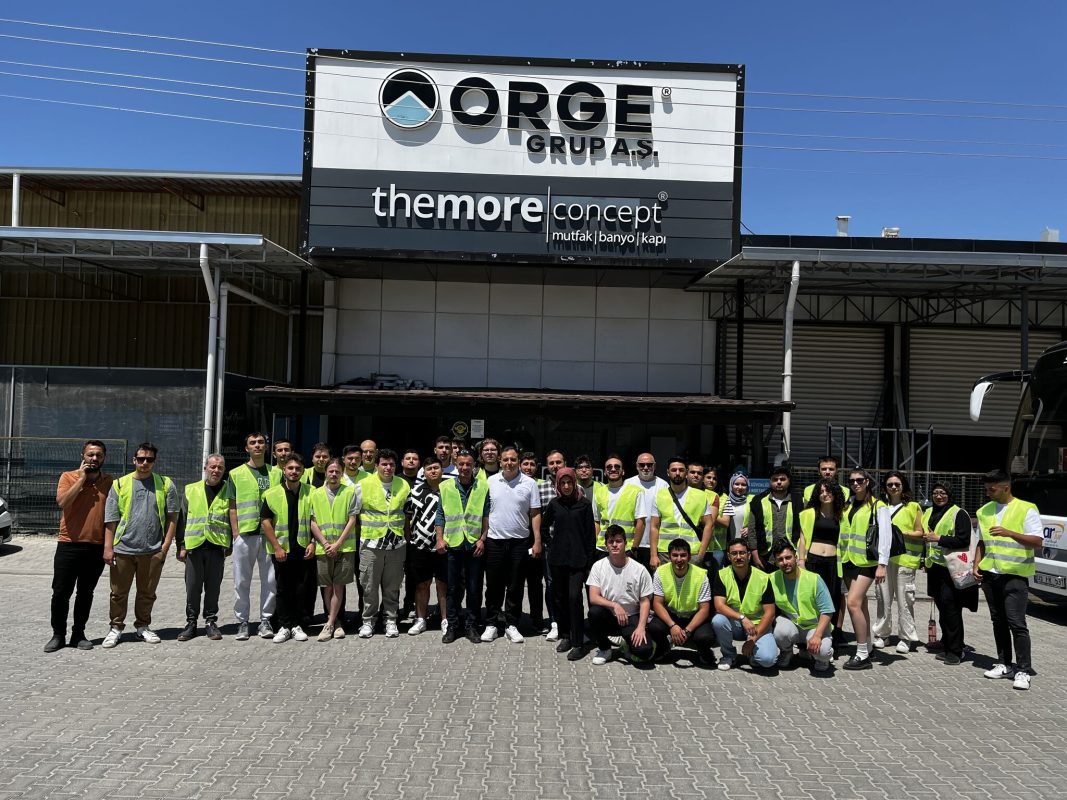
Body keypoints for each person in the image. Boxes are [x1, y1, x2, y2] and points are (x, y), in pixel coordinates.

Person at [101, 442, 180, 648]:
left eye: (149, 459)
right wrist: (108, 548)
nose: (145, 463)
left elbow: (173, 517)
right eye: (141, 459)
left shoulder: (165, 484)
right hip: (123, 549)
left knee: (147, 593)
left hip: (152, 550)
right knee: (118, 593)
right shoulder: (120, 484)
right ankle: (116, 628)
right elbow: (111, 519)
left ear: (154, 461)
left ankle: (142, 627)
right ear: (134, 460)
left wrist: (165, 548)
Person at [973, 469, 1042, 690]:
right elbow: (982, 541)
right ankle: (1004, 664)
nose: (988, 493)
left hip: (1015, 575)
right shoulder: (984, 511)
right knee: (998, 622)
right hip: (990, 575)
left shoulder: (1026, 508)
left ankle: (1023, 670)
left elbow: (1037, 542)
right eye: (986, 489)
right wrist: (976, 564)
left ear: (1006, 486)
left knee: (1017, 623)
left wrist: (1010, 532)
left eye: (992, 489)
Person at [46, 440, 114, 652]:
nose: (94, 459)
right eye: (90, 454)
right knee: (60, 593)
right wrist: (82, 478)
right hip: (68, 545)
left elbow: (112, 516)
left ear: (104, 458)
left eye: (99, 455)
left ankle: (78, 634)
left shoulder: (109, 482)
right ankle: (58, 635)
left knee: (86, 593)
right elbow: (63, 502)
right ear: (83, 456)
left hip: (95, 546)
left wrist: (108, 546)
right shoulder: (68, 477)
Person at [483, 445, 541, 644]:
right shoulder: (490, 481)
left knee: (515, 585)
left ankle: (511, 624)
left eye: (513, 459)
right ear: (500, 461)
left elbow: (535, 513)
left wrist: (537, 541)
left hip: (520, 542)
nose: (509, 463)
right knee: (493, 585)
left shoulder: (530, 483)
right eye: (506, 459)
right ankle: (491, 623)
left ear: (518, 461)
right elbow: (485, 512)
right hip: (495, 541)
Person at [355, 449, 411, 639]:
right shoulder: (363, 485)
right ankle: (368, 622)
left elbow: (407, 514)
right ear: (377, 465)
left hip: (396, 545)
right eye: (384, 464)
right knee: (369, 587)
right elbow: (354, 515)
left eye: (391, 464)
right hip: (371, 544)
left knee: (392, 587)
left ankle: (390, 620)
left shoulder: (403, 484)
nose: (388, 468)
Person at [838, 469, 891, 670]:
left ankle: (861, 654)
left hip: (867, 563)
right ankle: (868, 647)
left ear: (867, 481)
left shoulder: (878, 506)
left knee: (852, 603)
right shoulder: (848, 504)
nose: (855, 483)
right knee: (861, 604)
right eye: (852, 481)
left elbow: (885, 536)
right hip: (848, 560)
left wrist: (882, 565)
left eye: (859, 480)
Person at [436, 450, 490, 644]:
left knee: (474, 588)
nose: (465, 468)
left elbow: (486, 516)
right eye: (461, 464)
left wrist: (482, 539)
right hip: (453, 544)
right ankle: (452, 626)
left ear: (474, 465)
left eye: (468, 464)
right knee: (453, 589)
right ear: (456, 465)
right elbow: (440, 515)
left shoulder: (483, 486)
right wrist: (439, 539)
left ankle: (471, 626)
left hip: (474, 545)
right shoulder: (445, 486)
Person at [542, 467, 596, 661]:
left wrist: (589, 562)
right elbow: (543, 527)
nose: (566, 486)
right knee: (559, 599)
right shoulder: (554, 504)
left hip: (578, 561)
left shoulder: (584, 504)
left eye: (569, 482)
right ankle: (565, 635)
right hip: (557, 560)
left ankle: (578, 642)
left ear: (574, 483)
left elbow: (590, 535)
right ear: (558, 484)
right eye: (563, 483)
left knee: (574, 598)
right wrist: (551, 544)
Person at [228, 432, 278, 641]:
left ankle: (266, 620)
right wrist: (236, 533)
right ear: (246, 447)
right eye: (252, 443)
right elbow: (232, 506)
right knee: (241, 581)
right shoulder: (235, 473)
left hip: (269, 535)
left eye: (260, 442)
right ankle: (243, 622)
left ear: (266, 447)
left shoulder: (277, 473)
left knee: (270, 581)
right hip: (245, 535)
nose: (257, 445)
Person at [176, 454, 232, 642]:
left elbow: (233, 519)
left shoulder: (229, 490)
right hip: (194, 546)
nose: (216, 470)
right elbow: (182, 519)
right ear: (205, 468)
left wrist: (230, 544)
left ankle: (210, 621)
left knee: (213, 588)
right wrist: (181, 545)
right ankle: (191, 623)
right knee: (192, 588)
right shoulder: (191, 489)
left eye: (220, 467)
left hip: (217, 547)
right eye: (213, 467)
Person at [922, 482, 979, 666]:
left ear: (950, 494)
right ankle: (947, 641)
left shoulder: (958, 513)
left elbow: (963, 539)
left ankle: (956, 650)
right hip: (934, 567)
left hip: (952, 569)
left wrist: (938, 538)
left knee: (951, 608)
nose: (939, 496)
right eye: (935, 493)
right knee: (942, 607)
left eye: (943, 493)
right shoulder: (928, 512)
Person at [261, 454, 314, 643]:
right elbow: (265, 521)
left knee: (301, 588)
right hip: (282, 549)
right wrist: (276, 547)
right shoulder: (272, 494)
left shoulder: (312, 492)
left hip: (303, 548)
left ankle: (297, 625)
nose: (294, 471)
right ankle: (284, 626)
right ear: (284, 470)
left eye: (298, 469)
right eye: (290, 468)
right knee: (282, 588)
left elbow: (316, 520)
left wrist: (313, 542)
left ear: (303, 471)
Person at [872, 471, 925, 653]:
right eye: (890, 484)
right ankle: (882, 634)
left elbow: (920, 532)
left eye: (897, 484)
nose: (893, 487)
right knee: (882, 597)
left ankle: (906, 637)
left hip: (905, 560)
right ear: (885, 487)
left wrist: (901, 533)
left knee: (905, 600)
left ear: (903, 486)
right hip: (884, 560)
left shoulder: (913, 506)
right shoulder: (880, 506)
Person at [586, 525, 655, 665]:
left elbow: (645, 601)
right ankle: (605, 649)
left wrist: (641, 627)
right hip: (609, 616)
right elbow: (593, 597)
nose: (615, 545)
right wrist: (614, 605)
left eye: (618, 541)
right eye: (611, 542)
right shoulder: (598, 566)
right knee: (594, 613)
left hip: (631, 617)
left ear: (625, 543)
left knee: (644, 651)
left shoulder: (639, 570)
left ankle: (627, 644)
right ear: (606, 545)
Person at [308, 458, 357, 641]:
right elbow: (313, 522)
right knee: (327, 587)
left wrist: (337, 544)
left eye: (337, 471)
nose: (334, 474)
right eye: (331, 471)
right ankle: (335, 623)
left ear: (342, 473)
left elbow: (352, 520)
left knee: (338, 586)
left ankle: (329, 624)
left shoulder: (349, 492)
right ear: (326, 473)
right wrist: (325, 543)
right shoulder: (315, 494)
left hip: (344, 547)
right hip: (323, 548)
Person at [711, 539, 779, 670]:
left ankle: (752, 654)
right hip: (735, 623)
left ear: (748, 555)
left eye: (742, 553)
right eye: (734, 553)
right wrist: (742, 618)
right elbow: (719, 606)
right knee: (718, 620)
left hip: (757, 625)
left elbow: (770, 613)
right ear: (728, 556)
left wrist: (753, 640)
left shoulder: (763, 578)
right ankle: (729, 655)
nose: (738, 557)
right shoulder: (722, 575)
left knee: (768, 660)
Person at [770, 539, 835, 672]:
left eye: (788, 557)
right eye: (780, 559)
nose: (785, 562)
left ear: (795, 557)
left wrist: (817, 636)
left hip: (815, 627)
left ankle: (822, 658)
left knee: (823, 652)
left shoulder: (814, 579)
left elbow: (827, 611)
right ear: (776, 562)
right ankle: (787, 652)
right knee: (780, 632)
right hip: (793, 625)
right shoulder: (771, 579)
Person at [649, 538, 716, 664]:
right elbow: (657, 604)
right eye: (675, 555)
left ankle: (703, 651)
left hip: (693, 617)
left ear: (689, 557)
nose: (679, 559)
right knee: (654, 628)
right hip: (672, 615)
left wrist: (687, 631)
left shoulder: (701, 575)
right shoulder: (660, 572)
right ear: (669, 557)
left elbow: (704, 609)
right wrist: (672, 625)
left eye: (683, 555)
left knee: (706, 637)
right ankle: (664, 647)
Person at [796, 478, 846, 647]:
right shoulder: (809, 514)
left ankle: (828, 637)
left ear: (835, 493)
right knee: (811, 598)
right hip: (813, 561)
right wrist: (801, 561)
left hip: (833, 562)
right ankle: (808, 637)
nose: (825, 494)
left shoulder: (842, 515)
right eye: (821, 492)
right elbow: (802, 539)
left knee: (832, 599)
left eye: (828, 491)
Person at [405, 456, 449, 636]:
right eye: (429, 468)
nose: (433, 471)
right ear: (424, 472)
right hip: (420, 546)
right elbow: (407, 517)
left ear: (442, 470)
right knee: (422, 584)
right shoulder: (414, 492)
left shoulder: (449, 489)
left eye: (436, 468)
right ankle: (420, 619)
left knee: (443, 584)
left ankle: (445, 620)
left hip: (444, 545)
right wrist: (409, 539)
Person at [649, 457, 713, 570]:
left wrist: (701, 554)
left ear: (686, 473)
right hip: (665, 553)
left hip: (692, 552)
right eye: (674, 470)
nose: (677, 473)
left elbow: (709, 525)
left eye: (681, 470)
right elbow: (654, 527)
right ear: (668, 472)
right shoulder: (659, 495)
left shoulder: (700, 496)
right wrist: (653, 555)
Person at [533, 448, 566, 639]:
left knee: (569, 586)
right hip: (550, 546)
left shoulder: (576, 489)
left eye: (558, 462)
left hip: (570, 547)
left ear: (565, 463)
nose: (555, 466)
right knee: (551, 584)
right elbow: (537, 517)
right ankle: (554, 622)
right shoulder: (541, 489)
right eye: (552, 463)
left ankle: (569, 621)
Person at [592, 455, 645, 559]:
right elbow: (597, 522)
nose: (613, 469)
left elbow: (641, 522)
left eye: (617, 466)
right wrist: (595, 545)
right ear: (605, 472)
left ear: (623, 471)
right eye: (609, 467)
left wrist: (634, 548)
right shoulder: (598, 492)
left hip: (626, 548)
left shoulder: (636, 491)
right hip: (602, 548)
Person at [749, 466, 800, 572]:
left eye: (782, 479)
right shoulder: (758, 501)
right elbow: (752, 530)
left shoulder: (798, 501)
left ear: (789, 481)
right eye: (775, 479)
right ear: (770, 481)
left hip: (792, 555)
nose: (779, 482)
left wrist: (801, 555)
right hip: (766, 556)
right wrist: (755, 555)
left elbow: (804, 530)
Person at [624, 453, 667, 569]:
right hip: (632, 544)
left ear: (655, 466)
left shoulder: (663, 485)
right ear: (637, 466)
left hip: (655, 545)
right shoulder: (627, 484)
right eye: (642, 465)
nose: (646, 467)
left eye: (649, 464)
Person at [720, 473, 753, 552]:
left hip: (746, 544)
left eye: (743, 485)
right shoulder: (724, 500)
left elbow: (761, 521)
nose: (740, 487)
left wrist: (750, 528)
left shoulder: (753, 500)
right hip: (726, 544)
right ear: (731, 485)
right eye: (737, 484)